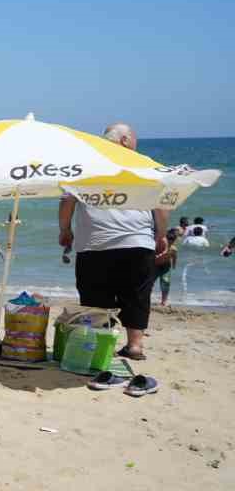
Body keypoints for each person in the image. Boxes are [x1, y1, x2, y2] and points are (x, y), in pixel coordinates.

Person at [57, 122, 166, 361]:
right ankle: (135, 346)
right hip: (138, 242)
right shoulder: (145, 166)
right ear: (125, 140)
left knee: (95, 296)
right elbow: (161, 205)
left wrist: (65, 230)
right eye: (135, 138)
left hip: (95, 244)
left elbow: (67, 202)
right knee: (137, 295)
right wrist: (161, 235)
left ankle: (98, 345)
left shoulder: (85, 167)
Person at [155, 228, 179, 307]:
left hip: (166, 266)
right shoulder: (159, 246)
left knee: (165, 282)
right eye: (169, 239)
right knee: (150, 282)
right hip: (156, 266)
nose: (171, 241)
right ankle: (146, 297)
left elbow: (174, 257)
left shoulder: (173, 249)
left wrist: (174, 265)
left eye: (172, 240)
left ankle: (163, 301)